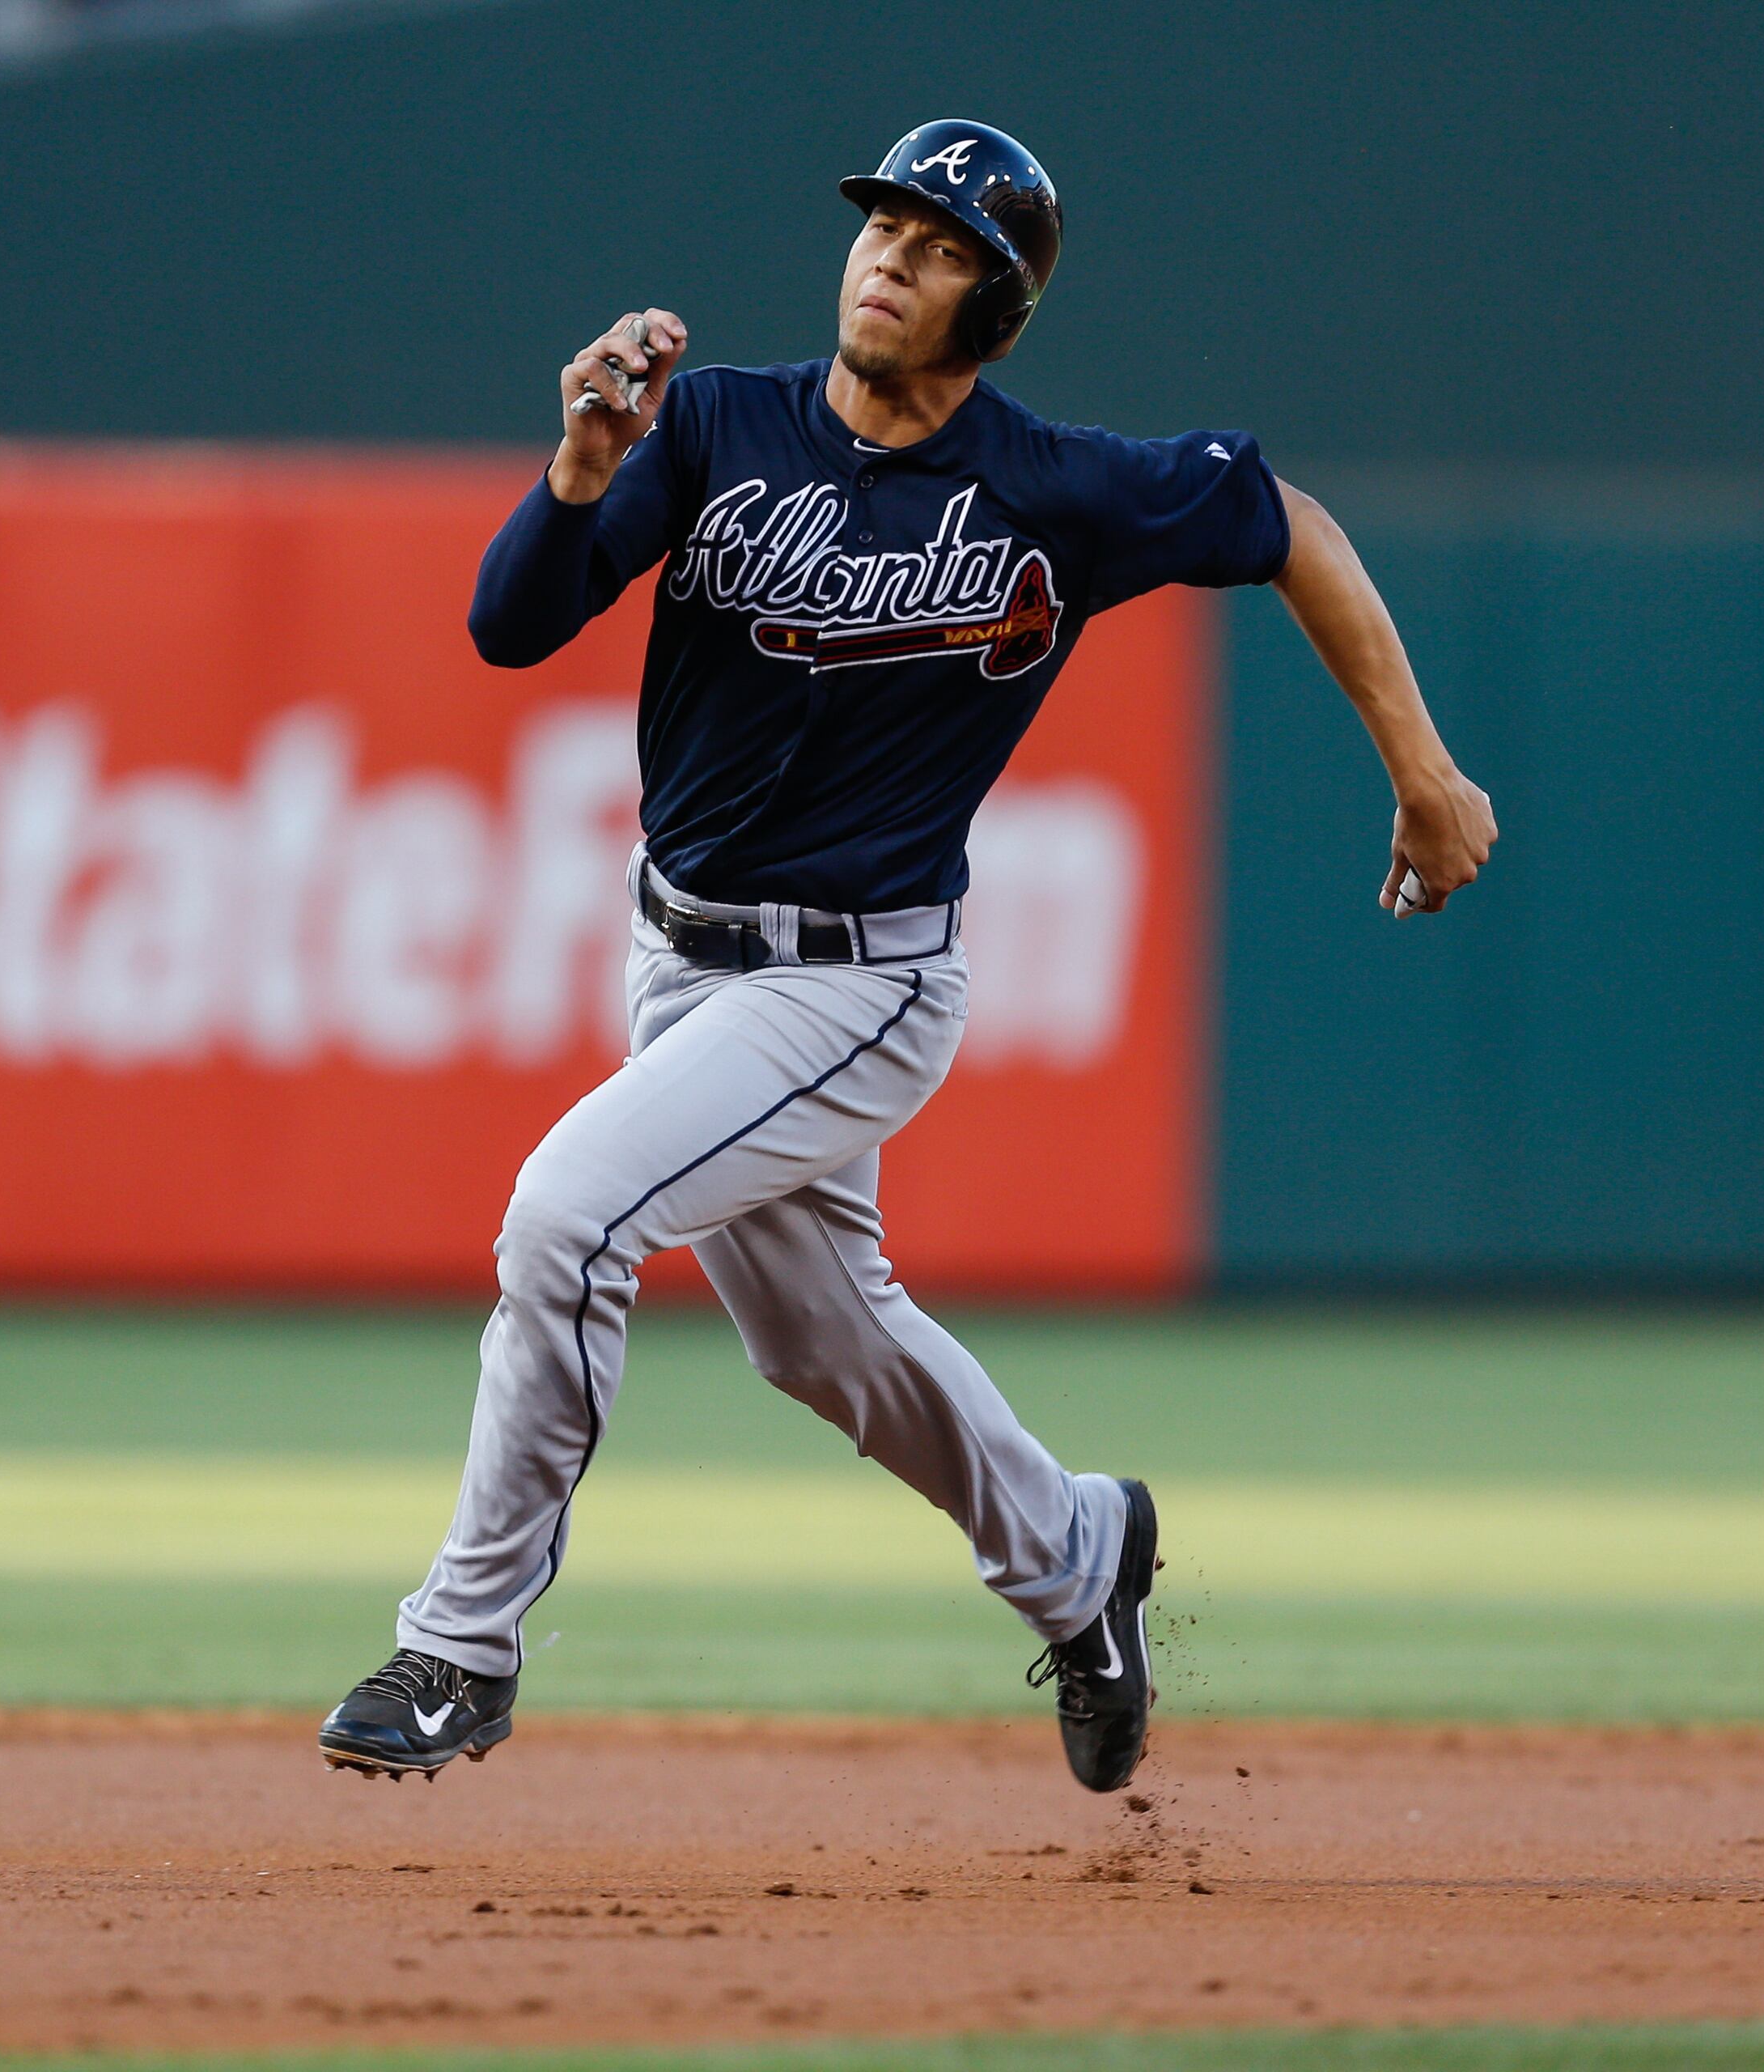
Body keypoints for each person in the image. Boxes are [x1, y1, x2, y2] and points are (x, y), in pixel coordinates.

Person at [319, 118, 1495, 1792]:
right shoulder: (716, 420)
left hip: (862, 982)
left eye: (942, 245)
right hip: (679, 956)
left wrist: (1424, 771)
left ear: (995, 308)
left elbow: (1282, 516)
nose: (891, 255)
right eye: (884, 222)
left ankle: (459, 1644)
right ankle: (1081, 1554)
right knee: (825, 1341)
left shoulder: (1049, 488)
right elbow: (510, 624)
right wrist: (582, 465)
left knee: (568, 1215)